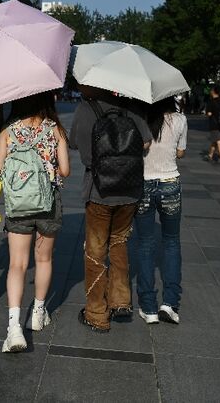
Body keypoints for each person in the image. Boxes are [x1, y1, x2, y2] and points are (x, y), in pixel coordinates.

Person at [69, 86, 151, 333]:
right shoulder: (131, 107)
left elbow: (75, 143)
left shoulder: (86, 108)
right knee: (119, 242)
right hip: (129, 189)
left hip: (99, 190)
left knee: (95, 251)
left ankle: (96, 313)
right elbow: (146, 142)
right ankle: (121, 300)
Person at [0, 92, 70, 353]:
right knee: (44, 259)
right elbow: (65, 170)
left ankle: (14, 327)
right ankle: (38, 312)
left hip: (18, 204)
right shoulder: (55, 129)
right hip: (48, 203)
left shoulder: (8, 130)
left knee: (17, 264)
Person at [135, 97, 187, 325]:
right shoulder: (180, 119)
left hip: (144, 183)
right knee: (172, 242)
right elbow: (180, 153)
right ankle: (170, 303)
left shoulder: (141, 119)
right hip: (170, 183)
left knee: (146, 244)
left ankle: (149, 308)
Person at [204, 84, 220, 164]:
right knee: (215, 140)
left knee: (218, 141)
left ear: (213, 91)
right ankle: (210, 155)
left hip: (214, 124)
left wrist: (208, 113)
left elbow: (209, 114)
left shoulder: (211, 102)